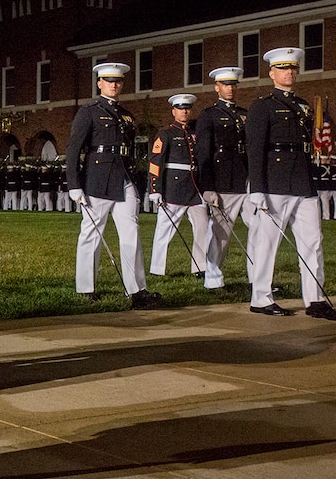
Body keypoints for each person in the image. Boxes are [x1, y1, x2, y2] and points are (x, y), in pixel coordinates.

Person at [245, 47, 336, 320]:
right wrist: (257, 188)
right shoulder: (262, 106)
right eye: (282, 68)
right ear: (271, 73)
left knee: (313, 242)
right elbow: (254, 149)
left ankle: (314, 300)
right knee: (267, 243)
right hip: (274, 181)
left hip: (303, 180)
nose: (289, 72)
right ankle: (261, 298)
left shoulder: (303, 105)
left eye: (292, 68)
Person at [66, 63, 160, 308]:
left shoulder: (126, 115)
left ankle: (137, 289)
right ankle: (86, 288)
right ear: (99, 83)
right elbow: (74, 149)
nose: (114, 85)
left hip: (124, 177)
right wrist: (74, 184)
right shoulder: (89, 112)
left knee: (132, 233)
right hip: (97, 178)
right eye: (108, 80)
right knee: (92, 232)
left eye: (117, 81)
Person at [194, 66, 254, 290]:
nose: (230, 88)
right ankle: (213, 277)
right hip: (223, 180)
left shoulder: (244, 114)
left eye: (233, 84)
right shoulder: (209, 115)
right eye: (226, 85)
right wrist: (207, 186)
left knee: (259, 229)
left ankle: (258, 278)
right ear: (216, 87)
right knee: (222, 234)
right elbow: (203, 153)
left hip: (245, 178)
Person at [148, 94, 208, 278]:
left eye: (187, 108)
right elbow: (155, 162)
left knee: (203, 228)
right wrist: (155, 189)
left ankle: (201, 268)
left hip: (195, 188)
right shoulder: (166, 133)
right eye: (181, 108)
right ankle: (157, 269)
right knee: (164, 230)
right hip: (173, 188)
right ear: (173, 111)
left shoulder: (195, 132)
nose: (184, 112)